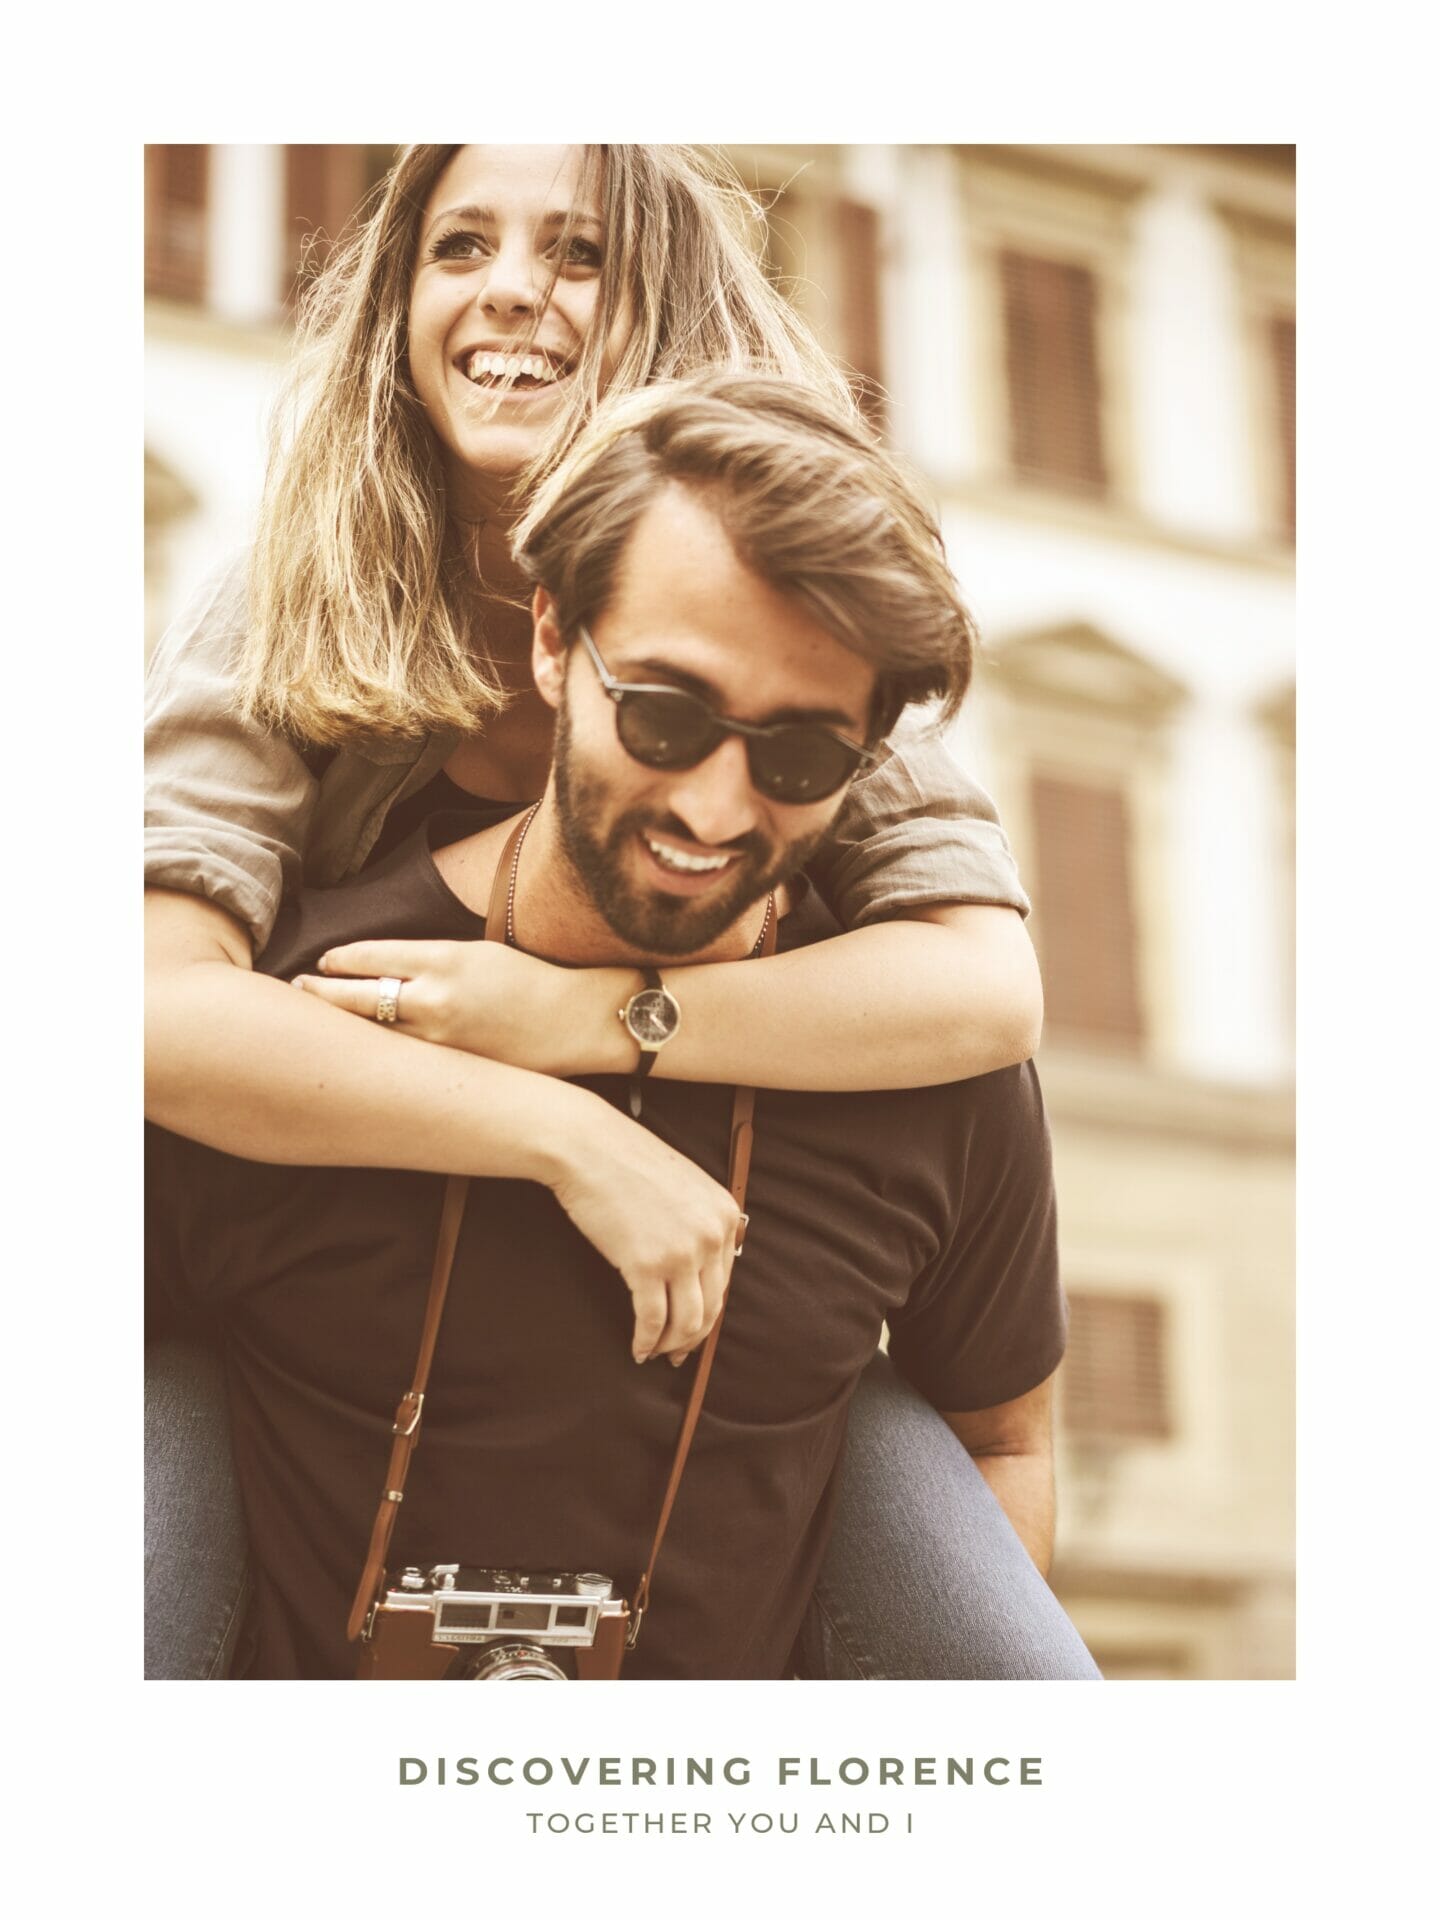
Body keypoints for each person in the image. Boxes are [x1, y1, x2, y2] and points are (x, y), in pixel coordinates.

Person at [144, 145, 1043, 1677]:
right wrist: (566, 1130)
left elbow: (985, 996)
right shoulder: (294, 586)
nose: (510, 290)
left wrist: (579, 1022)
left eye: (577, 255)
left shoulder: (789, 602)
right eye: (459, 247)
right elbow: (145, 1008)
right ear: (559, 647)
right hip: (321, 1178)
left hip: (754, 1118)